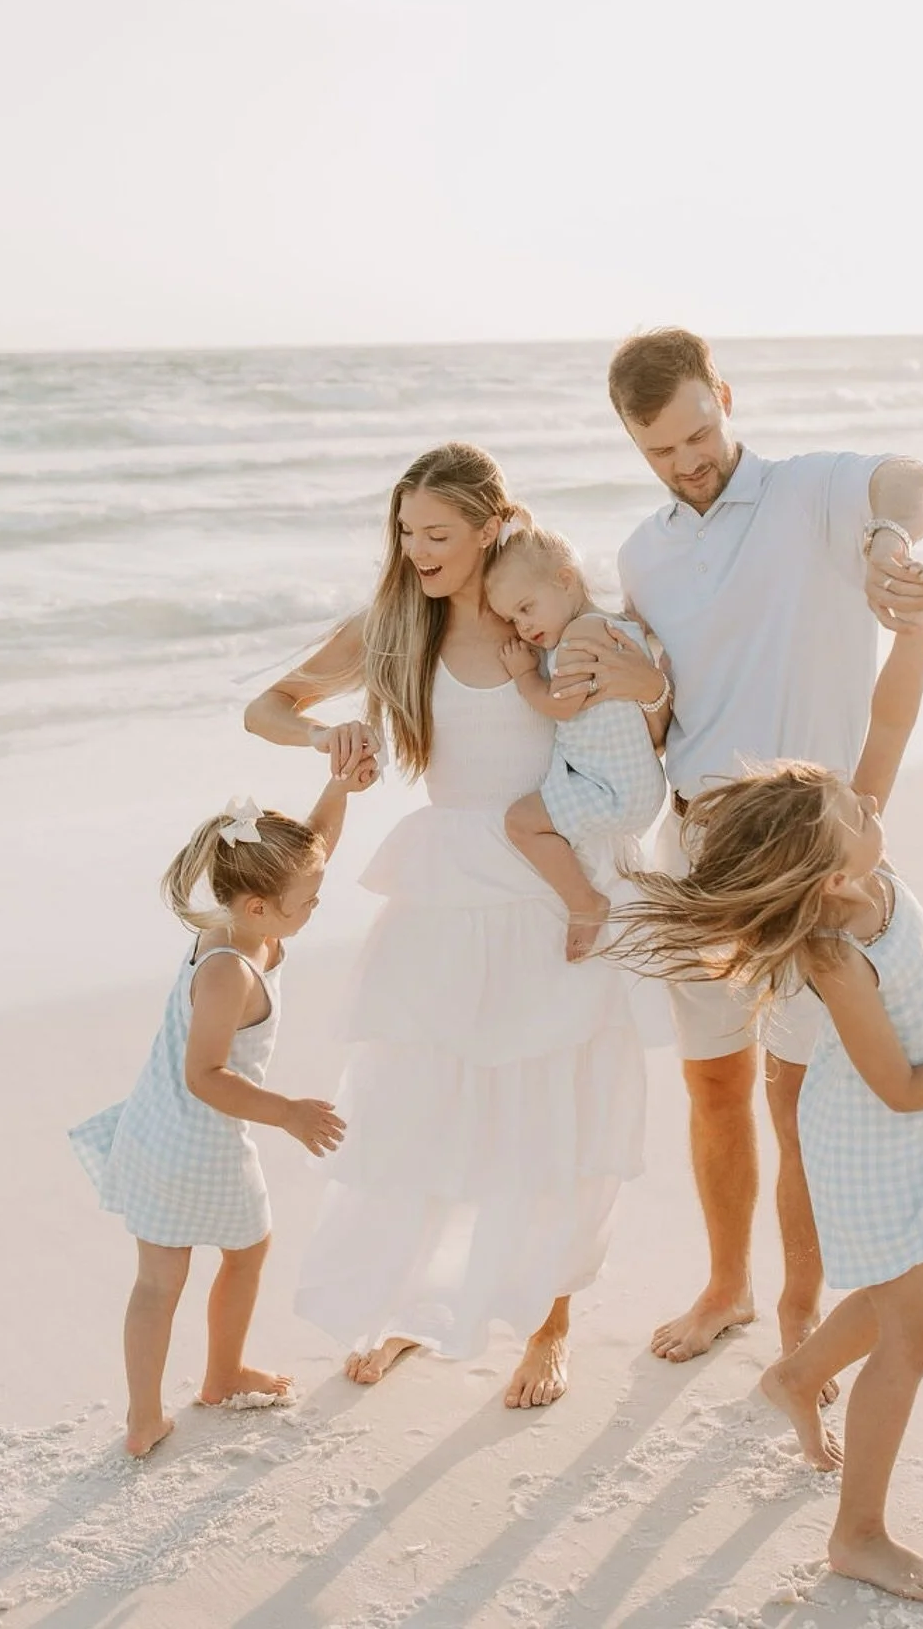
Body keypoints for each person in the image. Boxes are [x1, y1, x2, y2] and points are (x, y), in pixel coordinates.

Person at [610, 605, 923, 1604]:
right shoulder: (833, 949)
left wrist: (916, 634)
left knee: (919, 1303)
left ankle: (792, 1377)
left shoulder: (854, 859)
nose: (874, 808)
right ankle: (857, 1535)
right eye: (856, 813)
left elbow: (890, 727)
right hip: (879, 1136)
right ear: (827, 875)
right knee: (916, 1334)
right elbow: (897, 1087)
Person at [553, 326, 923, 1371]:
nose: (687, 464)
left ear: (723, 396)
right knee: (715, 1085)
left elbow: (912, 478)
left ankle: (800, 1307)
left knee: (798, 1089)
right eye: (659, 451)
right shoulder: (643, 554)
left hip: (810, 853)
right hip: (697, 851)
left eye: (698, 433)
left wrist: (885, 545)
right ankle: (729, 1286)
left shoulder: (813, 494)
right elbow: (666, 704)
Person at [243, 442, 650, 1409]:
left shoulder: (544, 616)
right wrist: (322, 733)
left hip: (551, 888)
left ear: (488, 525)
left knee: (551, 1116)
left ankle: (548, 1326)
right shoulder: (394, 626)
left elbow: (645, 714)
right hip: (448, 892)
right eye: (405, 532)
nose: (417, 549)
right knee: (421, 1114)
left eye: (436, 533)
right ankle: (401, 1310)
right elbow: (268, 705)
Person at [69, 769, 374, 1457]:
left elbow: (312, 846)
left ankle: (146, 1418)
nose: (316, 907)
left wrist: (340, 790)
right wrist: (287, 1112)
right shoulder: (229, 969)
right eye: (309, 902)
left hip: (155, 1127)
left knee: (161, 1277)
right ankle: (221, 1375)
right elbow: (205, 1075)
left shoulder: (244, 918)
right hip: (196, 1137)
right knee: (242, 1251)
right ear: (262, 906)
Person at [483, 512, 669, 959]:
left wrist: (526, 674)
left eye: (526, 608)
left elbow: (560, 704)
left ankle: (584, 902)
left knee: (521, 823)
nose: (523, 628)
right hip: (636, 782)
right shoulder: (615, 624)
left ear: (566, 580)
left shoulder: (576, 640)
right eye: (511, 619)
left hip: (611, 790)